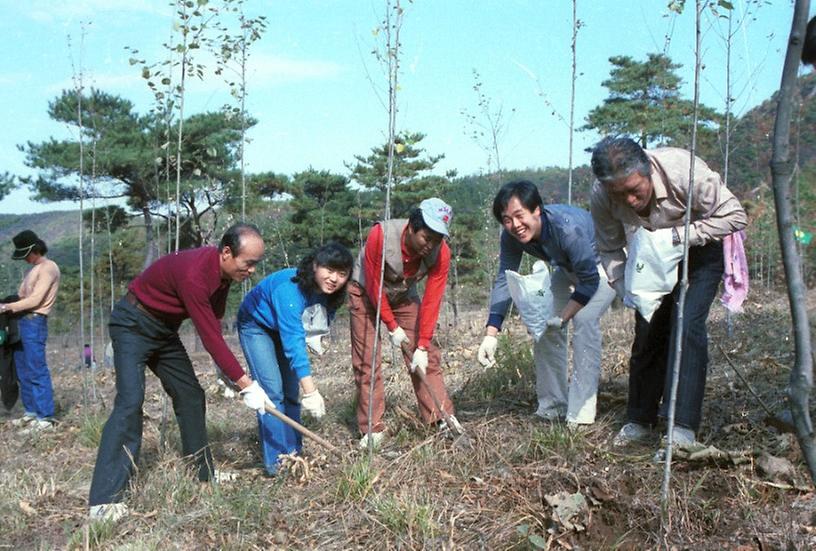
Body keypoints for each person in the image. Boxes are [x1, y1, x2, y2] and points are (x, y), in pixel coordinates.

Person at [88, 223, 270, 522]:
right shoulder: (195, 275)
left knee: (190, 394)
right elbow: (210, 337)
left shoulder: (223, 278)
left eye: (255, 264)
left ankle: (203, 472)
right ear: (226, 252)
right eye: (248, 263)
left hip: (163, 330)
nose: (251, 270)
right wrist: (246, 384)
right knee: (130, 402)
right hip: (133, 323)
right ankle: (104, 499)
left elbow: (215, 322)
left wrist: (228, 376)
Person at [589, 136, 747, 447]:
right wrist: (626, 289)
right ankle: (639, 418)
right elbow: (608, 248)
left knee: (686, 326)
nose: (630, 202)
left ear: (647, 170)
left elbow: (735, 215)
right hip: (648, 256)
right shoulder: (602, 194)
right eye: (619, 196)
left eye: (635, 191)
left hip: (699, 247)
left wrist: (680, 237)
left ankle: (682, 425)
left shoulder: (683, 170)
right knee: (648, 330)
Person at [477, 181, 616, 427]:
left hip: (602, 267)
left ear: (537, 210)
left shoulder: (567, 228)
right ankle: (553, 404)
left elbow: (589, 281)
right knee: (545, 326)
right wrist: (491, 333)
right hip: (568, 268)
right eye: (507, 219)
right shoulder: (511, 236)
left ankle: (581, 414)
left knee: (583, 321)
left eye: (519, 216)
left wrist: (564, 316)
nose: (515, 226)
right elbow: (504, 277)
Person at [349, 198, 457, 449]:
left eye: (437, 240)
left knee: (427, 357)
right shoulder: (381, 235)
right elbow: (374, 284)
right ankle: (372, 428)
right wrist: (392, 326)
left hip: (402, 295)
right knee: (368, 360)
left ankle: (441, 417)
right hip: (365, 292)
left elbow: (432, 299)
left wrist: (422, 344)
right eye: (426, 238)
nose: (429, 246)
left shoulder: (441, 254)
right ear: (411, 227)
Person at [237, 242, 353, 475]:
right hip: (257, 325)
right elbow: (294, 345)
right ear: (315, 265)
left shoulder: (329, 294)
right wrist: (311, 391)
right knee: (272, 393)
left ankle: (294, 453)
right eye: (329, 270)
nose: (334, 279)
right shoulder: (289, 291)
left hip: (285, 328)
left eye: (342, 274)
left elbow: (314, 323)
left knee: (291, 393)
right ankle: (277, 463)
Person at [0, 230, 60, 433]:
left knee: (36, 369)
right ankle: (32, 412)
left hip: (34, 321)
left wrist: (6, 308)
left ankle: (46, 417)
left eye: (26, 255)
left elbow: (35, 300)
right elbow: (21, 296)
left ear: (35, 250)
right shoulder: (33, 270)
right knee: (23, 370)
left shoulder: (48, 268)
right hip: (21, 322)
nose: (25, 259)